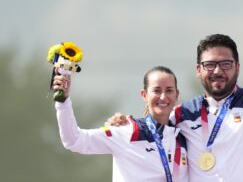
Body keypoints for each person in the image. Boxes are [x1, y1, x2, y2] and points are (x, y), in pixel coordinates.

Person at [108, 24, 243, 182]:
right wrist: (124, 122)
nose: (218, 71)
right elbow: (153, 125)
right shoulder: (182, 114)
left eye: (225, 64)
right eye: (210, 64)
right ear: (198, 70)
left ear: (237, 67)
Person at [53, 66, 189, 182]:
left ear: (176, 94)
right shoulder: (127, 131)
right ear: (144, 95)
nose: (163, 96)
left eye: (169, 90)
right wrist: (63, 102)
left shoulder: (185, 134)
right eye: (157, 90)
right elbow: (74, 140)